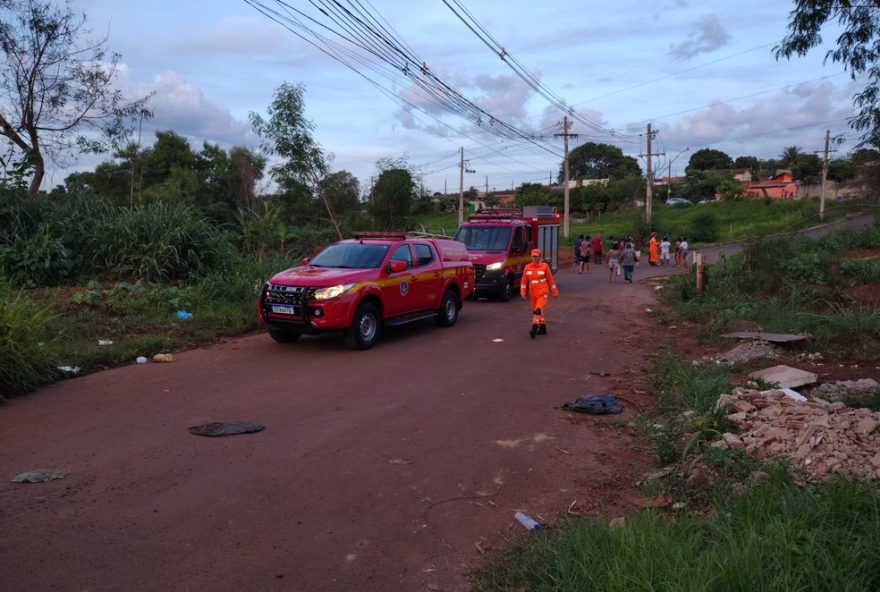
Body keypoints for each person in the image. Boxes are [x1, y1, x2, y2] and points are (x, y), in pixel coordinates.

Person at [521, 249, 559, 338]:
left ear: (539, 256)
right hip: (532, 292)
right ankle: (543, 328)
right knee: (537, 311)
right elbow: (523, 281)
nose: (534, 258)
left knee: (538, 309)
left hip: (543, 291)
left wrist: (555, 292)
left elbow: (550, 280)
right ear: (531, 256)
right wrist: (522, 292)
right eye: (533, 256)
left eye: (536, 256)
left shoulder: (545, 266)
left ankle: (534, 328)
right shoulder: (527, 267)